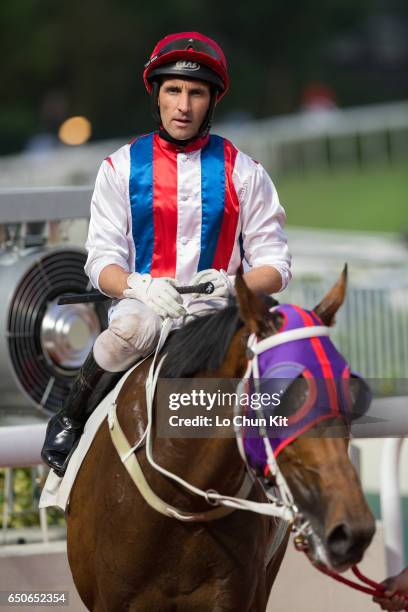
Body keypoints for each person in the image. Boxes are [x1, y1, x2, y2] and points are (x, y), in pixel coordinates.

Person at [41, 31, 292, 476]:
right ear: (156, 95)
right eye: (173, 90)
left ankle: (287, 471)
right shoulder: (119, 167)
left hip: (219, 315)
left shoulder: (245, 172)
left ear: (211, 101)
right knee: (130, 330)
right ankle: (70, 418)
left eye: (196, 93)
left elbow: (275, 265)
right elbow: (101, 260)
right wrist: (138, 285)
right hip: (146, 307)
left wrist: (233, 285)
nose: (183, 105)